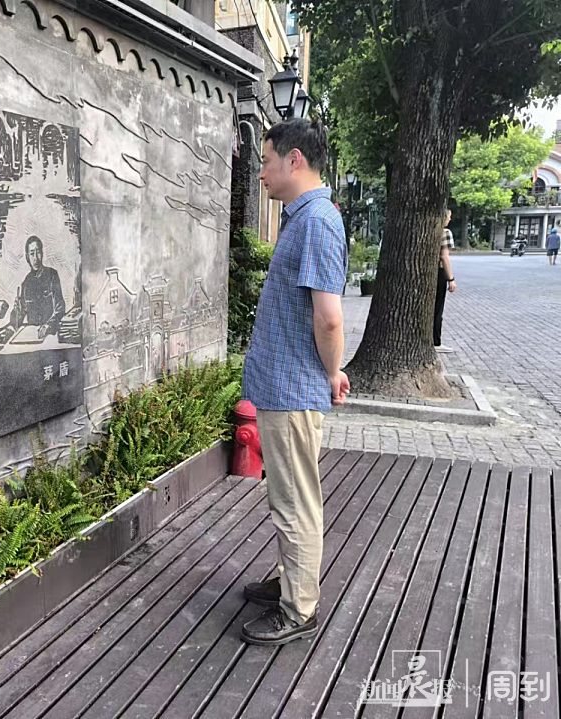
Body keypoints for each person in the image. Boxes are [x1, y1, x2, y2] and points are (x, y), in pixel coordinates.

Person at [240, 119, 348, 646]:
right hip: (284, 387)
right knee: (288, 495)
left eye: (266, 161)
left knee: (295, 502)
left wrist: (332, 372)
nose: (261, 173)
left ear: (295, 159)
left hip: (293, 390)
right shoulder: (303, 219)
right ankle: (290, 580)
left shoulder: (318, 223)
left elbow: (329, 318)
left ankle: (299, 608)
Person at [11, 236, 65, 338]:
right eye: (32, 254)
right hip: (33, 336)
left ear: (42, 253)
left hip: (51, 335)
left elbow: (60, 309)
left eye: (38, 252)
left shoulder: (52, 275)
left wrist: (48, 326)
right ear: (27, 257)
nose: (35, 258)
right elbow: (17, 321)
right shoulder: (26, 283)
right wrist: (16, 311)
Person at [434, 210, 457, 353]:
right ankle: (436, 341)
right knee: (437, 308)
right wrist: (451, 279)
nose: (450, 219)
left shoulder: (429, 231)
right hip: (439, 273)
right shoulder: (445, 232)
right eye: (449, 216)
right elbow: (444, 257)